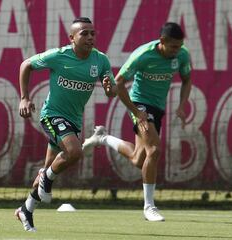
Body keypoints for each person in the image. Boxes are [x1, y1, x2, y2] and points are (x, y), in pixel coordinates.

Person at [83, 22, 192, 222]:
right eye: (173, 47)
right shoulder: (142, 55)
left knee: (138, 160)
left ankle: (102, 138)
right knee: (155, 151)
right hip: (140, 105)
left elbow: (187, 79)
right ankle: (149, 207)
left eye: (180, 45)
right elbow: (119, 82)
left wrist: (182, 104)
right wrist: (136, 111)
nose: (178, 50)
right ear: (162, 42)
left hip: (158, 108)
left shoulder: (182, 55)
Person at [15, 17, 115, 232]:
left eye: (92, 33)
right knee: (75, 151)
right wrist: (24, 97)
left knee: (48, 170)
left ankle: (26, 209)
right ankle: (46, 181)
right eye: (84, 33)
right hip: (52, 115)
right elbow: (26, 65)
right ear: (72, 38)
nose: (90, 37)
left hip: (74, 120)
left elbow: (112, 91)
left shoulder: (101, 61)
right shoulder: (59, 56)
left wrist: (109, 88)